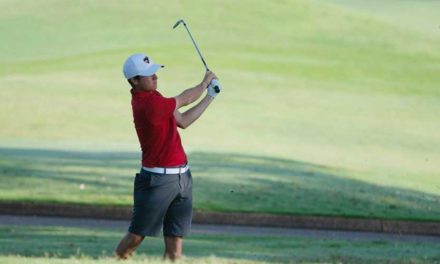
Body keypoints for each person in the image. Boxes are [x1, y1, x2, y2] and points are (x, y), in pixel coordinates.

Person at [115, 53, 219, 261]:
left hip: (182, 177)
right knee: (136, 235)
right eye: (148, 74)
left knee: (175, 240)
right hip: (158, 181)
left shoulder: (156, 98)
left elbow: (183, 121)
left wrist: (210, 96)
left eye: (154, 71)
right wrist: (205, 82)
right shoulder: (147, 105)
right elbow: (185, 98)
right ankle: (115, 259)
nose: (155, 76)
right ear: (134, 81)